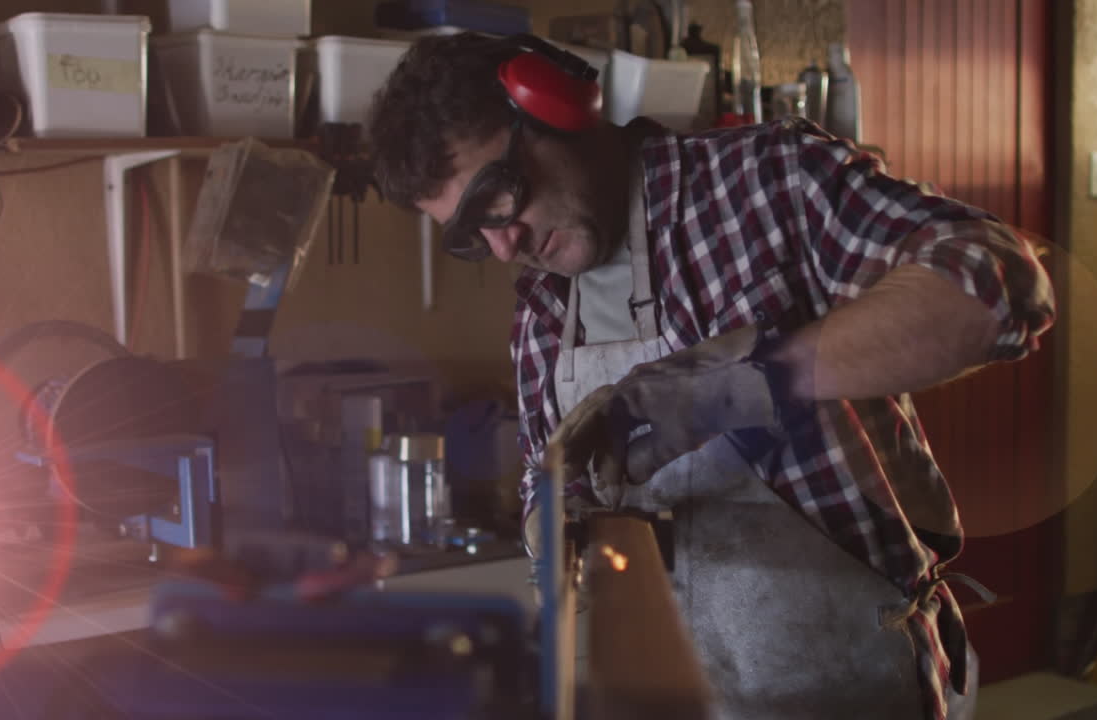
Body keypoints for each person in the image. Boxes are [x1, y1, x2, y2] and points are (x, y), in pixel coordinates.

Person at [366, 32, 1055, 720]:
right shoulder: (543, 312)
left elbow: (997, 288)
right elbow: (548, 489)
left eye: (497, 196)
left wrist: (743, 382)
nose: (503, 242)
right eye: (468, 236)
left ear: (558, 107)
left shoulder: (767, 181)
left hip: (854, 686)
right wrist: (553, 519)